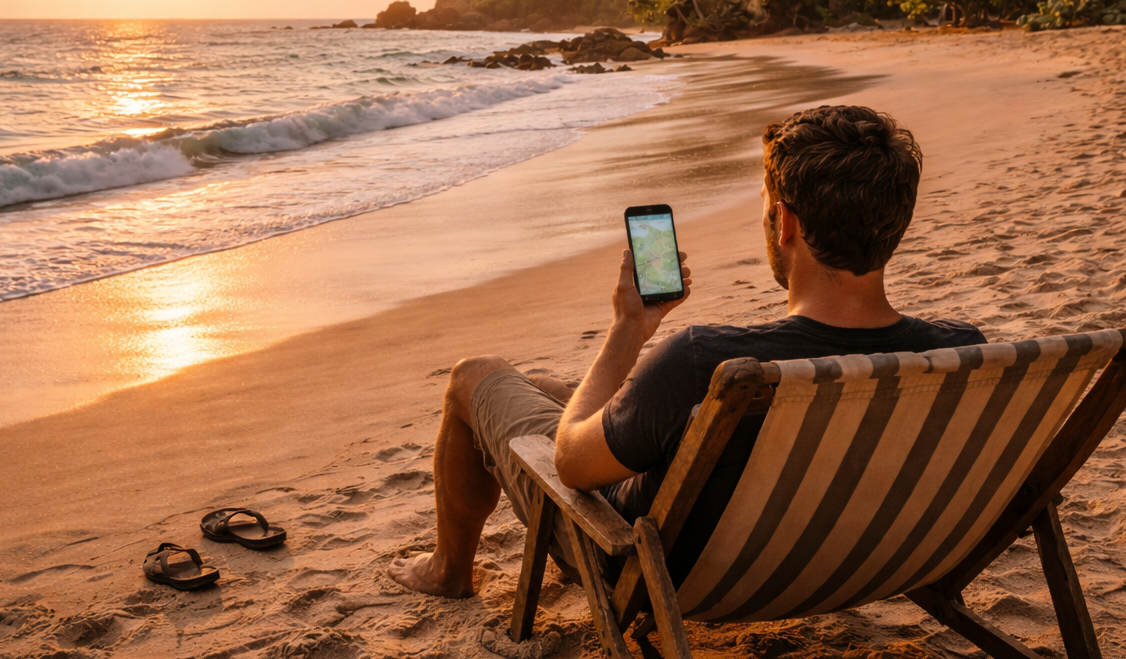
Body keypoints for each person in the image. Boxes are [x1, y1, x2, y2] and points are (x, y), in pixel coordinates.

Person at [388, 105, 986, 597]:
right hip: (858, 558)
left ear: (786, 225)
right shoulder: (964, 356)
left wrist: (628, 330)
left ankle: (447, 571)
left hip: (664, 570)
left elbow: (570, 464)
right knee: (545, 388)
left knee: (475, 376)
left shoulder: (708, 362)